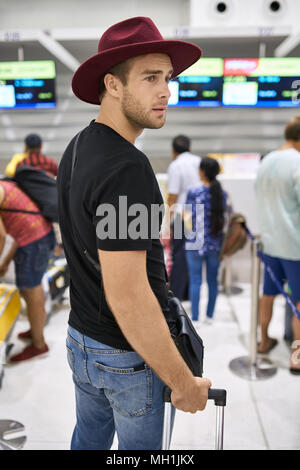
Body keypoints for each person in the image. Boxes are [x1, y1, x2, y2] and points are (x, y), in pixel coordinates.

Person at [57, 16, 211, 450]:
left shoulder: (78, 147)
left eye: (167, 77)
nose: (166, 90)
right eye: (149, 77)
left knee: (88, 438)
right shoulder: (128, 169)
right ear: (113, 85)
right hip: (124, 357)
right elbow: (129, 293)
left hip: (82, 338)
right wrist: (182, 383)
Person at [255, 116, 300, 374]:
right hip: (294, 246)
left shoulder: (267, 161)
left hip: (269, 243)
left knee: (268, 295)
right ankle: (296, 356)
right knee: (299, 301)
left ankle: (263, 341)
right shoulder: (297, 163)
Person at [0, 180, 56, 362]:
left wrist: (2, 262)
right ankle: (35, 328)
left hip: (33, 241)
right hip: (39, 235)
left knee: (31, 291)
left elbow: (2, 237)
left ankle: (39, 345)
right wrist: (5, 261)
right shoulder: (4, 184)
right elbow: (11, 234)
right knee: (28, 289)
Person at [184, 157, 227, 323]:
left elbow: (186, 218)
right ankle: (209, 316)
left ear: (202, 172)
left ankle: (195, 318)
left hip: (195, 243)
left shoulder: (193, 193)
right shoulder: (221, 194)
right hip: (214, 243)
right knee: (212, 281)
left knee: (195, 281)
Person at [167, 135, 201, 301]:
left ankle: (177, 294)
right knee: (193, 253)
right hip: (199, 213)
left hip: (183, 214)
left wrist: (166, 220)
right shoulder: (199, 161)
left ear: (174, 151)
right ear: (190, 148)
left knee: (179, 254)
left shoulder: (176, 165)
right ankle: (188, 293)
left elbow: (173, 196)